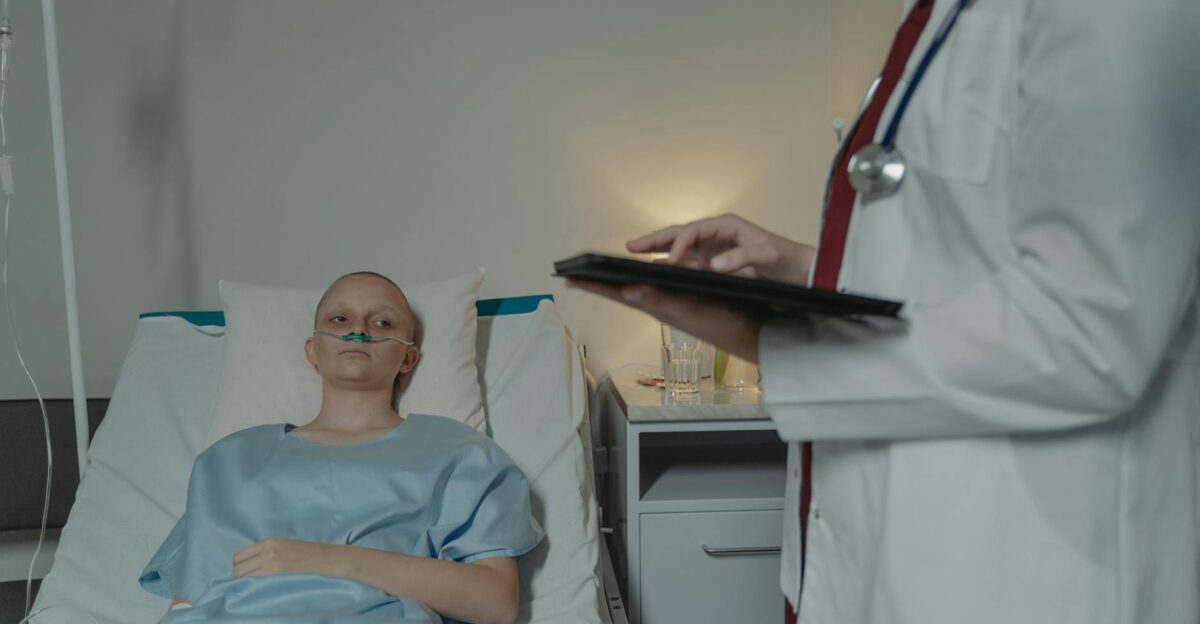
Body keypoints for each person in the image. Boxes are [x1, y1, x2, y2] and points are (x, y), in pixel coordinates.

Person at [567, 0, 1200, 622]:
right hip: (894, 544)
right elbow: (960, 265)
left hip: (1022, 561)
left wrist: (777, 341)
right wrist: (805, 270)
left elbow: (1091, 330)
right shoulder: (941, 16)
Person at [139, 272, 544, 624]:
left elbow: (495, 602)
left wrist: (323, 560)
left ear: (408, 357)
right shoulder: (228, 460)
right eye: (339, 318)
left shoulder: (460, 454)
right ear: (312, 350)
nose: (359, 330)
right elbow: (188, 603)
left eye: (382, 321)